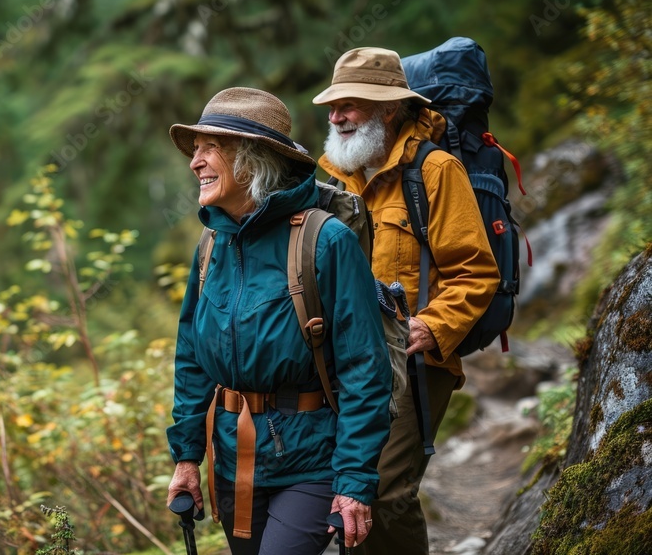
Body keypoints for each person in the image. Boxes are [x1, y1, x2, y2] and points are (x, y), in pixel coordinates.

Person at [165, 86, 392, 554]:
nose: (195, 162)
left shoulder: (325, 242)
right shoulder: (211, 246)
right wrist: (187, 458)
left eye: (211, 148)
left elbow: (365, 372)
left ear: (251, 160)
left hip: (311, 461)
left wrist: (353, 480)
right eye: (196, 150)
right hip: (232, 461)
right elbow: (191, 359)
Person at [312, 47, 501, 554]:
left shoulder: (435, 171)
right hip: (345, 365)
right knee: (343, 493)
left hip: (415, 363)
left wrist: (432, 327)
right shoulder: (333, 179)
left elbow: (476, 271)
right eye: (333, 106)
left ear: (389, 108)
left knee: (382, 490)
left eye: (349, 104)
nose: (335, 117)